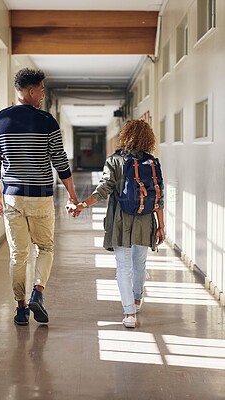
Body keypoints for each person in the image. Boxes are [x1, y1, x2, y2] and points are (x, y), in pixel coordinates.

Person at [0, 68, 78, 326]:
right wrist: (72, 196)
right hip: (40, 197)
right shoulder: (47, 121)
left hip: (12, 197)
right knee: (45, 247)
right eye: (41, 90)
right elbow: (60, 162)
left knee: (18, 254)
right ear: (30, 91)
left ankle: (21, 308)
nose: (43, 94)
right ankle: (38, 291)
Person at [66, 119, 165, 328]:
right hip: (146, 220)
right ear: (148, 139)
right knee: (140, 263)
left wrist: (81, 205)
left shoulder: (114, 160)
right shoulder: (152, 162)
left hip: (120, 220)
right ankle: (137, 299)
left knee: (124, 266)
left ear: (125, 136)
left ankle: (129, 314)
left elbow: (103, 190)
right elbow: (158, 198)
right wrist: (161, 226)